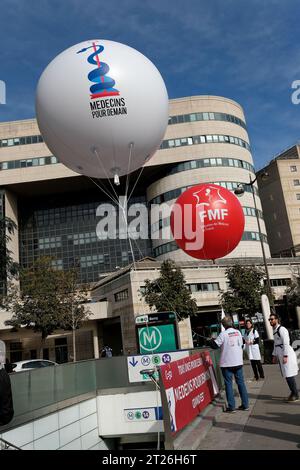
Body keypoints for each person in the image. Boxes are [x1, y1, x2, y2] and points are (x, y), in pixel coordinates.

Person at [210, 316, 249, 413]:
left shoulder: (223, 334)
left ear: (223, 325)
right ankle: (245, 405)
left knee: (228, 384)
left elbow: (215, 346)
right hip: (238, 362)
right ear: (231, 323)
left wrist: (210, 340)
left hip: (227, 363)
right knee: (241, 383)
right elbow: (242, 343)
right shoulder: (238, 332)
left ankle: (231, 407)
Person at [269, 313, 299, 402]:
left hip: (287, 354)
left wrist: (285, 355)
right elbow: (275, 344)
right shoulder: (275, 330)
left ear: (277, 319)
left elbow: (286, 342)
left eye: (272, 319)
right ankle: (293, 392)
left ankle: (295, 394)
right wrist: (274, 355)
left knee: (289, 374)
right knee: (287, 375)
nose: (270, 321)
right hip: (281, 353)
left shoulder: (282, 329)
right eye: (269, 319)